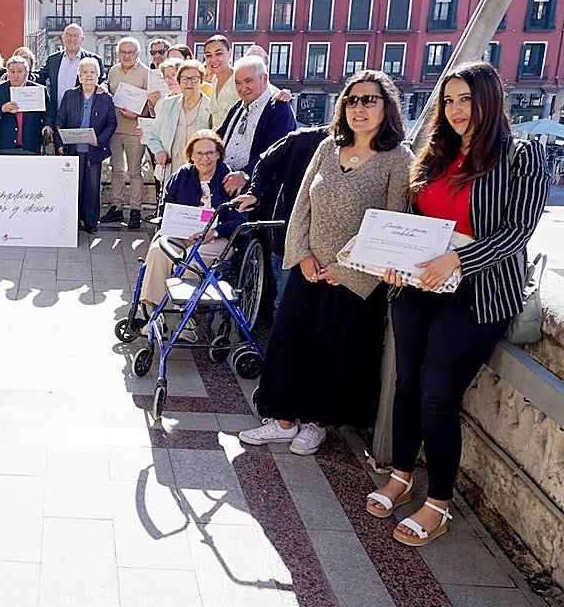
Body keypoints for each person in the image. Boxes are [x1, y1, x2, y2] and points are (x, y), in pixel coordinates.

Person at [371, 61, 548, 547]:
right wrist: (393, 259)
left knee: (437, 392)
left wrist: (458, 258)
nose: (455, 110)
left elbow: (517, 232)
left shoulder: (521, 156)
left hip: (479, 290)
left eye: (466, 99)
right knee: (407, 383)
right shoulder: (434, 152)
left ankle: (439, 503)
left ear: (490, 99)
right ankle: (402, 475)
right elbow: (412, 217)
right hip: (416, 285)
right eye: (448, 100)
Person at [239, 71, 413, 457]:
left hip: (354, 279)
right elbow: (301, 206)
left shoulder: (398, 158)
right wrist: (301, 255)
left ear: (387, 106)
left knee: (335, 352)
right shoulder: (327, 148)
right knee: (289, 342)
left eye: (370, 100)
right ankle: (282, 420)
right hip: (309, 268)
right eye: (352, 100)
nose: (360, 108)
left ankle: (318, 423)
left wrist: (347, 270)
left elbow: (393, 224)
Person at [140, 130, 246, 339]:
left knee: (192, 258)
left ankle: (188, 320)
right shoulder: (182, 175)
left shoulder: (229, 179)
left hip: (217, 237)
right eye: (198, 154)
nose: (204, 159)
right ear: (191, 155)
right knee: (157, 251)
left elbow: (239, 220)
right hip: (181, 232)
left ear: (218, 154)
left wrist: (215, 231)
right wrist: (170, 226)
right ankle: (155, 313)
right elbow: (166, 206)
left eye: (209, 153)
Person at [236, 124, 329, 313]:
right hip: (290, 238)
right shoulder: (303, 139)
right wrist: (255, 193)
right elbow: (265, 163)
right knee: (286, 307)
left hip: (331, 248)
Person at [102, 37, 162, 230]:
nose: (126, 56)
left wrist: (139, 113)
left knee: (135, 171)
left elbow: (151, 105)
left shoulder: (147, 73)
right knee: (116, 169)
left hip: (136, 129)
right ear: (118, 54)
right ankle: (117, 206)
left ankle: (135, 210)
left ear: (138, 54)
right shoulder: (112, 71)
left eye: (130, 52)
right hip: (114, 129)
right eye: (123, 52)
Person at [216, 55, 297, 196]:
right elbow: (218, 137)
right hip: (228, 189)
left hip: (259, 195)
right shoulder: (237, 107)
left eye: (248, 81)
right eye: (238, 83)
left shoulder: (279, 108)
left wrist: (245, 174)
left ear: (264, 79)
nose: (243, 88)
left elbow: (277, 152)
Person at [55, 58, 116, 233]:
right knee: (72, 188)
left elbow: (112, 123)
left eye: (92, 72)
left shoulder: (105, 98)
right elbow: (60, 121)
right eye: (85, 72)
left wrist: (100, 139)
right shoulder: (69, 95)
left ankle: (90, 223)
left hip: (93, 151)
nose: (88, 76)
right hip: (72, 151)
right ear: (79, 75)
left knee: (92, 188)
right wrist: (59, 144)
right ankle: (72, 221)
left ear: (98, 76)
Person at [142, 59, 213, 188]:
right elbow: (153, 136)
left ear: (201, 81)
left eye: (194, 78)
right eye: (184, 79)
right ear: (179, 81)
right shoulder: (168, 104)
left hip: (199, 172)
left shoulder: (211, 107)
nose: (189, 83)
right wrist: (159, 151)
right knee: (169, 207)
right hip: (170, 169)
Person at [0, 56, 51, 155]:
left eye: (20, 71)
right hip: (4, 146)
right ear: (8, 73)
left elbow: (48, 113)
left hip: (30, 145)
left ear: (26, 73)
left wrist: (48, 125)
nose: (16, 75)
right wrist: (2, 108)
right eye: (12, 71)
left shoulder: (39, 90)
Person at [37, 23, 103, 122]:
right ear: (63, 38)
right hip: (56, 116)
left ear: (82, 39)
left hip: (82, 117)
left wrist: (103, 86)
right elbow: (40, 77)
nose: (71, 39)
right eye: (68, 35)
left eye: (76, 36)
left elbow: (102, 80)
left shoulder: (93, 59)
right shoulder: (53, 59)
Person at [202, 35, 238, 129]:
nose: (213, 59)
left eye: (219, 54)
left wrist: (282, 94)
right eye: (209, 55)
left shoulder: (239, 78)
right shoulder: (214, 80)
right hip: (216, 141)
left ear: (229, 53)